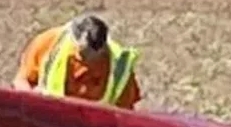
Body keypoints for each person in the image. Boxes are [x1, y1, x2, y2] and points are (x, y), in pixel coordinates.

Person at [12, 14, 141, 110]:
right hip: (51, 125)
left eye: (94, 55)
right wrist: (33, 98)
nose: (88, 59)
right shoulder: (49, 43)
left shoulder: (120, 66)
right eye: (83, 53)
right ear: (73, 39)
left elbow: (127, 113)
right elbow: (21, 81)